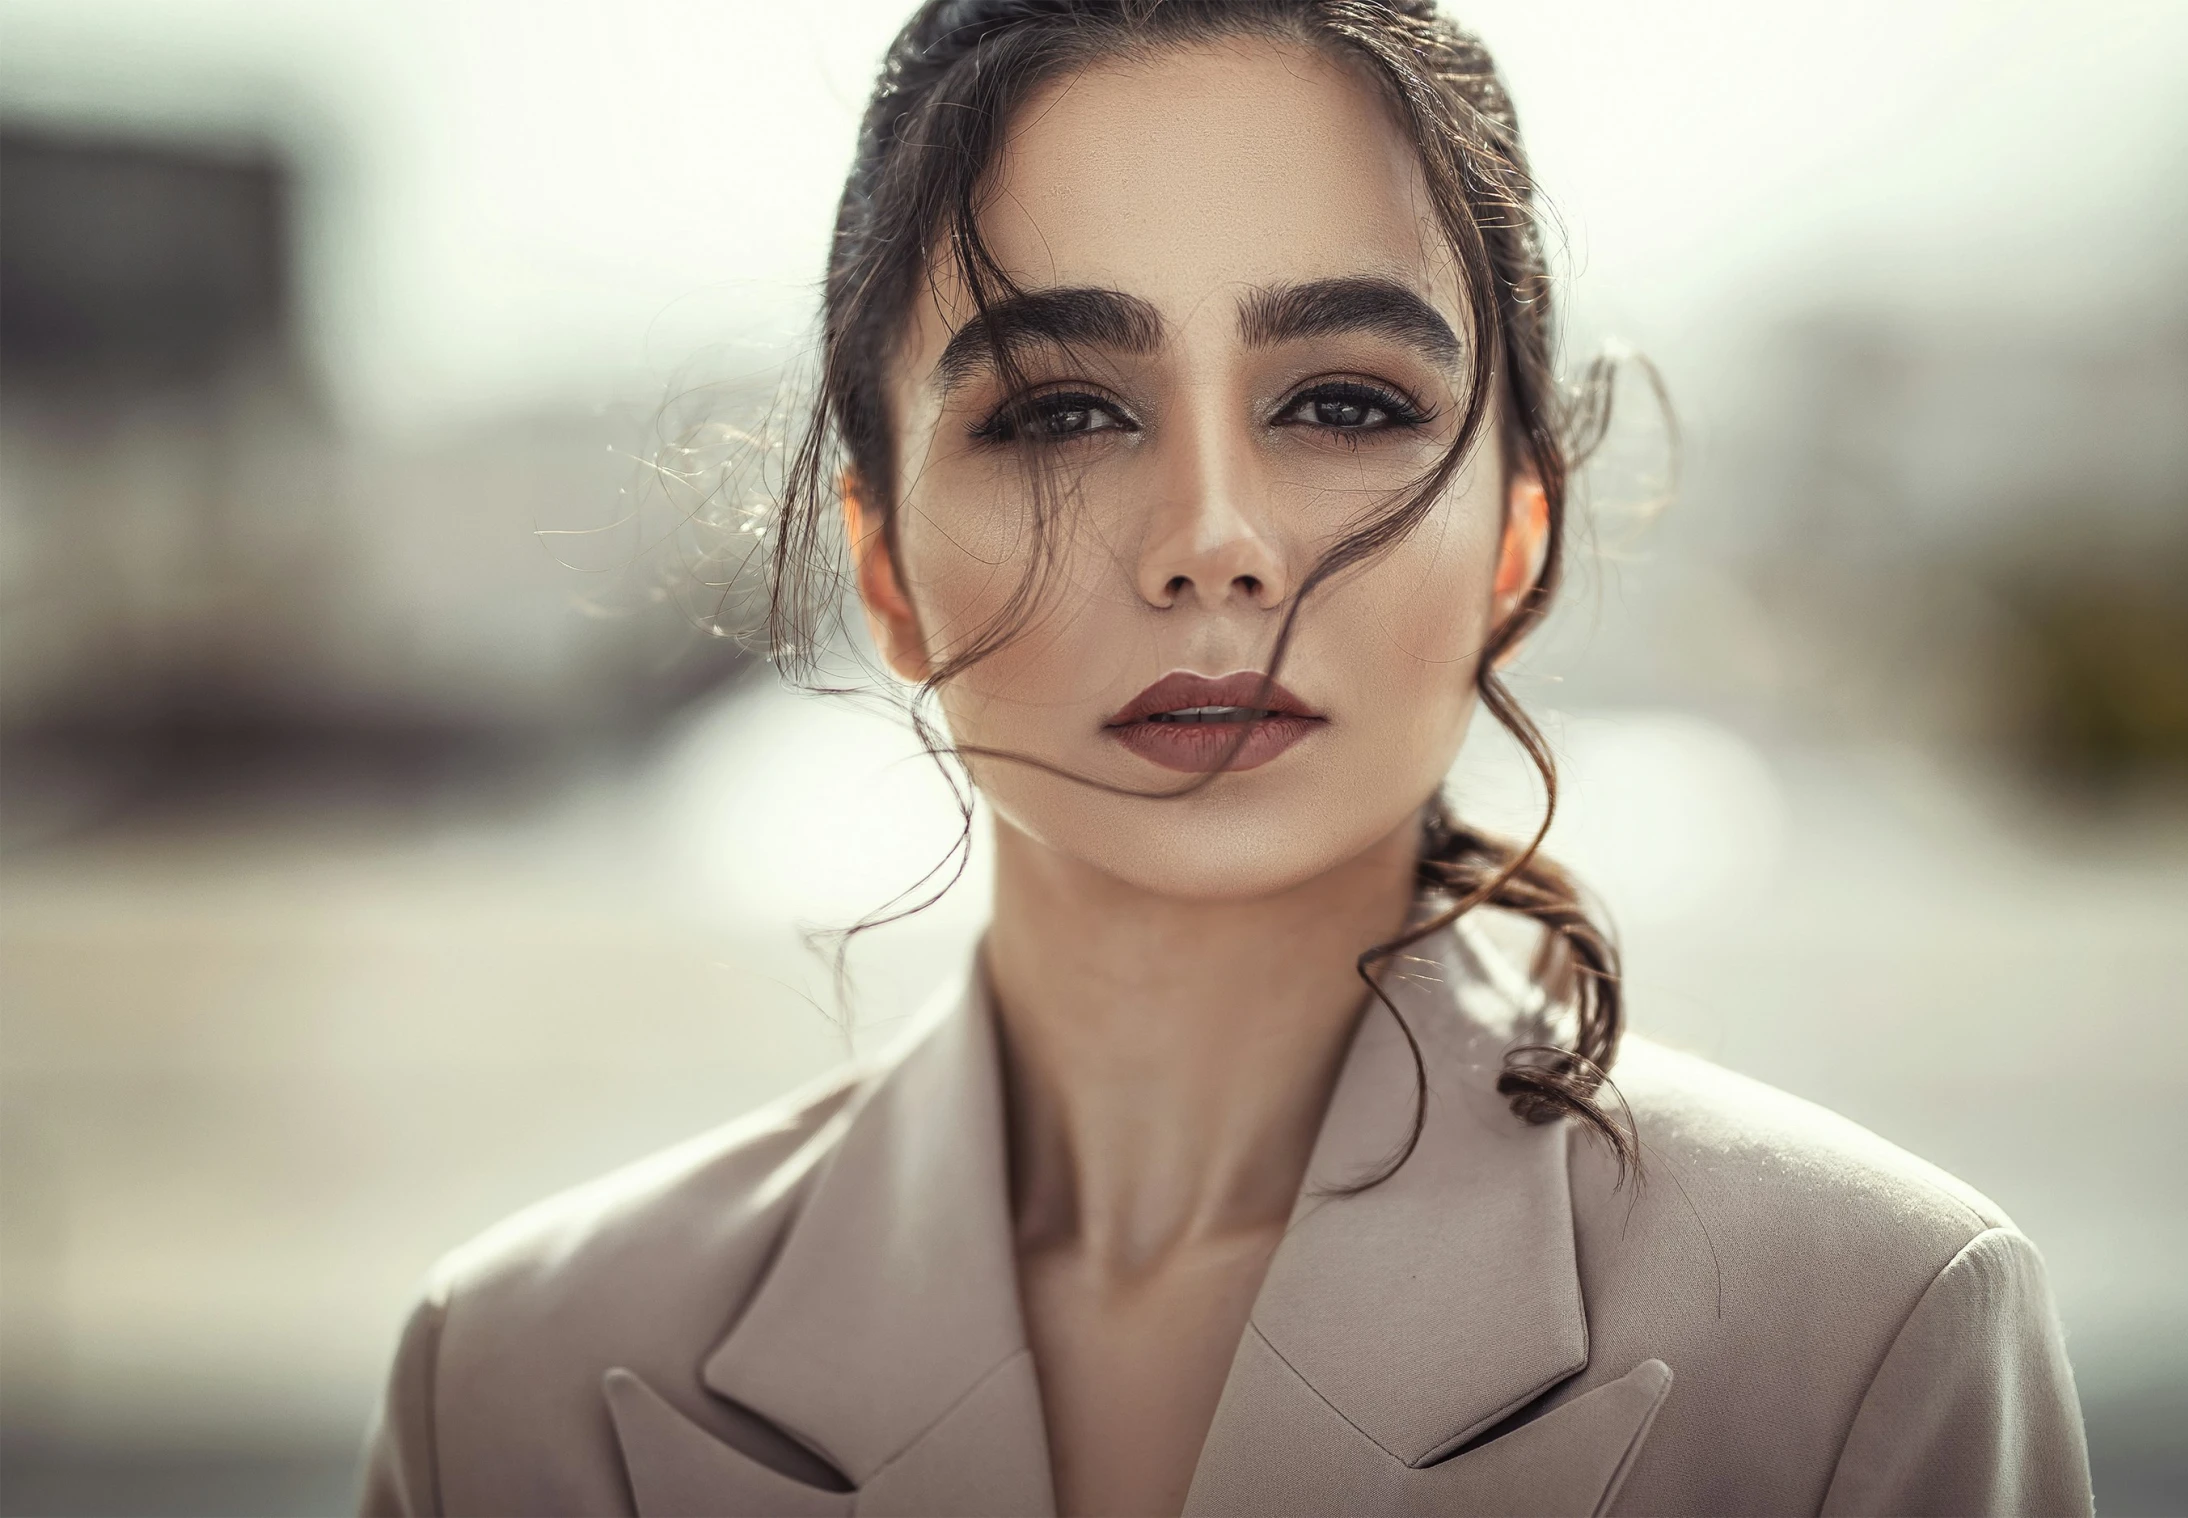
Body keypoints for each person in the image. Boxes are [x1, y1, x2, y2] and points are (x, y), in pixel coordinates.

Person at [359, 2, 2094, 1514]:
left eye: (1342, 402)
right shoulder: (511, 1377)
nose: (1211, 539)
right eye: (1057, 410)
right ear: (878, 561)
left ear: (1514, 538)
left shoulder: (1868, 1327)